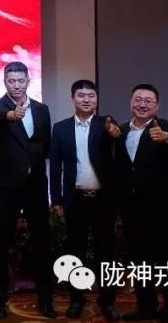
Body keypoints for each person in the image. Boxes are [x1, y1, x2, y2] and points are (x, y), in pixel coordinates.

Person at [0, 61, 57, 319]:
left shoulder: (41, 109)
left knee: (42, 244)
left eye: (20, 81)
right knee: (1, 244)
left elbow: (43, 144)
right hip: (8, 186)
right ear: (5, 82)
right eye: (11, 81)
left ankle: (46, 299)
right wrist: (10, 115)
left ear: (28, 81)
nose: (16, 85)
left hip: (35, 185)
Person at [49, 79, 122, 321]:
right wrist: (56, 200)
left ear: (97, 99)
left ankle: (107, 301)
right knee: (75, 252)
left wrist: (115, 135)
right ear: (73, 99)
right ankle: (76, 299)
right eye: (81, 95)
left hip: (103, 200)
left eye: (91, 95)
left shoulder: (106, 125)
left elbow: (116, 145)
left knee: (106, 252)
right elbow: (56, 167)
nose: (86, 99)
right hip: (75, 200)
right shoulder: (60, 128)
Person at [114, 84, 168, 323]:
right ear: (130, 102)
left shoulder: (167, 127)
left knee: (164, 261)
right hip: (131, 208)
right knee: (139, 261)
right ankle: (146, 307)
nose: (142, 104)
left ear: (157, 105)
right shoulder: (121, 131)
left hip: (160, 209)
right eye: (138, 100)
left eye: (148, 101)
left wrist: (166, 138)